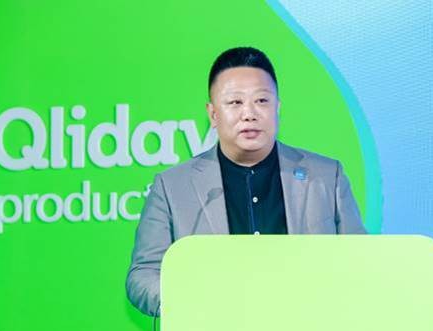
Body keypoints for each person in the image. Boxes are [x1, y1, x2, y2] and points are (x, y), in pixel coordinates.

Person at [126, 47, 366, 316]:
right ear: (213, 114)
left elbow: (361, 264)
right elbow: (143, 275)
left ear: (277, 108)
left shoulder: (326, 176)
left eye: (261, 100)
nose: (249, 113)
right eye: (235, 102)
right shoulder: (172, 187)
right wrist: (193, 304)